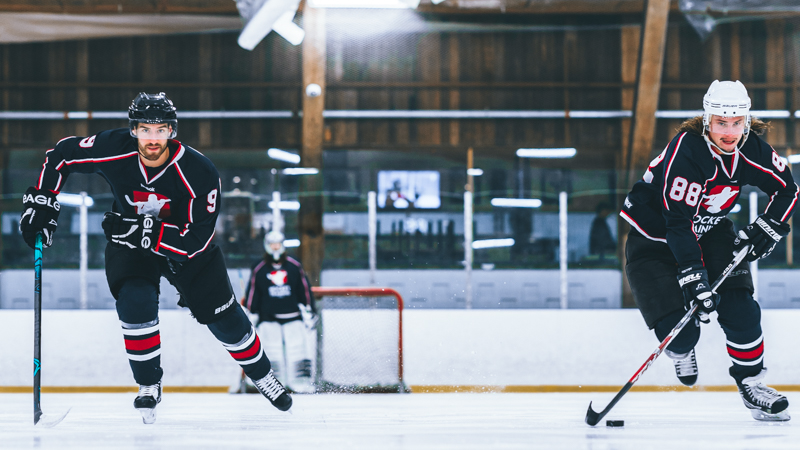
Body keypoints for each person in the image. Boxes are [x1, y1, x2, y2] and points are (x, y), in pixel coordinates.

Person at [18, 92, 292, 424]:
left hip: (186, 250)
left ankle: (262, 375)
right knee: (134, 302)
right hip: (128, 241)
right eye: (145, 130)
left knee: (224, 318)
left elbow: (197, 239)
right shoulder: (112, 147)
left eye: (160, 130)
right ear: (133, 130)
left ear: (172, 132)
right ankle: (149, 383)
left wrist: (145, 232)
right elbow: (60, 156)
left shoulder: (199, 172)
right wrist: (43, 200)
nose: (152, 138)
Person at [619, 80, 797, 421]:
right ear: (706, 120)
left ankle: (752, 385)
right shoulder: (687, 152)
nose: (729, 132)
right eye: (720, 123)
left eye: (736, 123)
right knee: (683, 333)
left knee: (742, 310)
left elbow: (788, 189)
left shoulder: (752, 148)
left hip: (711, 231)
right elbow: (677, 224)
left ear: (745, 120)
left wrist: (770, 226)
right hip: (653, 240)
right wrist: (693, 276)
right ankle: (681, 351)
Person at [243, 230, 317, 393]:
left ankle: (301, 384)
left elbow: (304, 289)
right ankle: (274, 385)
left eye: (278, 244)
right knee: (272, 352)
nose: (275, 247)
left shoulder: (294, 265)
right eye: (272, 244)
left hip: (293, 317)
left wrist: (309, 309)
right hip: (268, 319)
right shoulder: (259, 268)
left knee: (298, 350)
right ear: (267, 246)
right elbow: (253, 292)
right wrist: (251, 312)